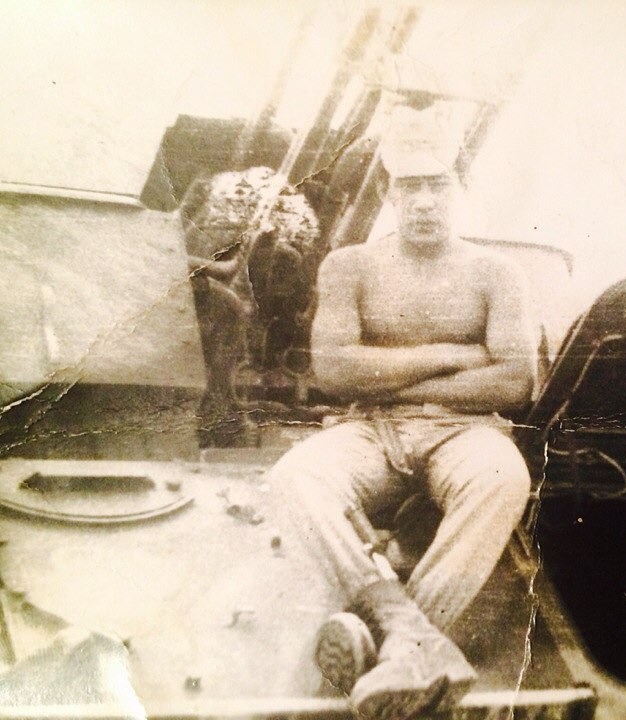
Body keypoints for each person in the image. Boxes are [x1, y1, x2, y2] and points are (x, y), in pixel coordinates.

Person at [269, 104, 536, 720]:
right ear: (390, 192)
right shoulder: (350, 267)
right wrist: (453, 353)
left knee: (503, 478)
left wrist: (386, 370)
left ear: (459, 189)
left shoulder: (497, 274)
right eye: (410, 186)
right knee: (294, 477)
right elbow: (335, 371)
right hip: (369, 427)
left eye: (437, 184)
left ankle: (402, 647)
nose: (424, 201)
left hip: (463, 431)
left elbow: (515, 380)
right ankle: (409, 637)